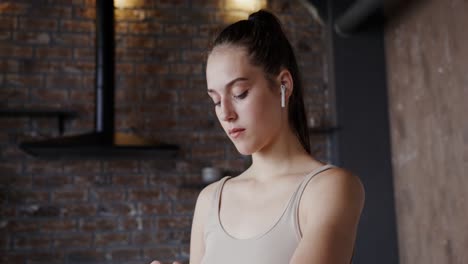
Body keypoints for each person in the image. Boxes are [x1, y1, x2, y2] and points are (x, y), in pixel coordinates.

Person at [151, 9, 365, 264]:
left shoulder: (329, 188)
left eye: (239, 93)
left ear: (284, 84)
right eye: (216, 101)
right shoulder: (210, 200)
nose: (226, 114)